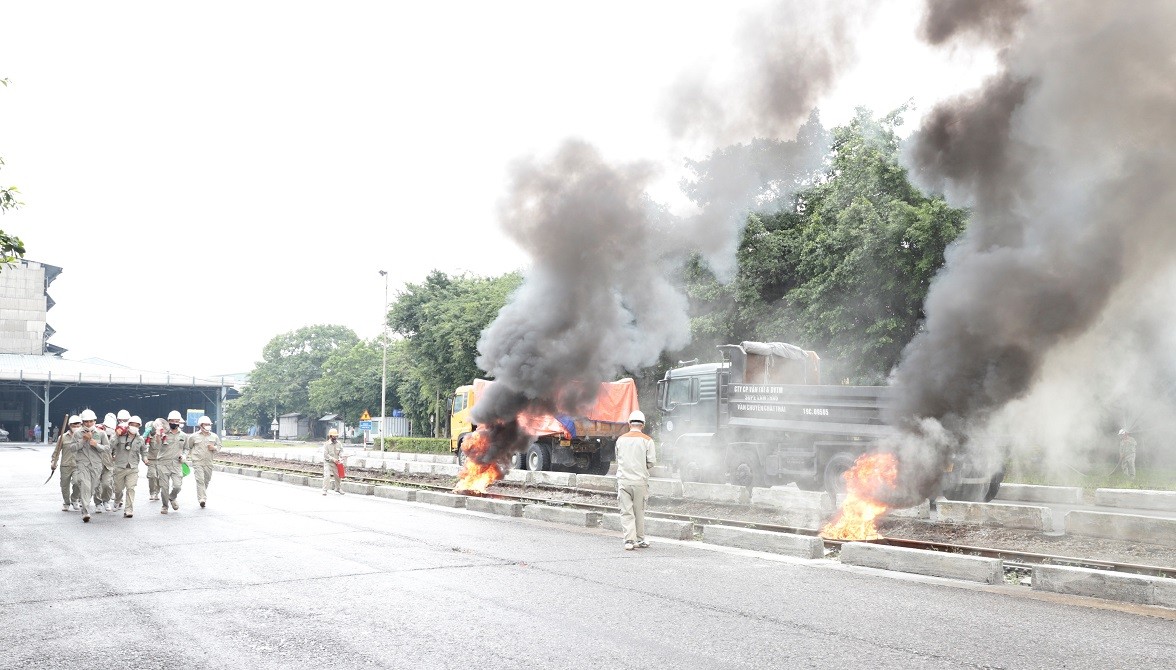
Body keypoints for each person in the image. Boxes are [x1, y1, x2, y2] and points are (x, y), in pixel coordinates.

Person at [615, 410, 656, 551]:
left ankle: (629, 541)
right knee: (639, 511)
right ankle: (640, 539)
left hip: (623, 480)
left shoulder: (620, 440)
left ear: (629, 424)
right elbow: (651, 462)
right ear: (643, 424)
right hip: (640, 482)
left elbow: (618, 458)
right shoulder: (648, 440)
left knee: (626, 511)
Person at [69, 409, 111, 523]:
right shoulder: (78, 434)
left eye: (91, 421)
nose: (88, 424)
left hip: (96, 465)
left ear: (95, 421)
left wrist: (97, 445)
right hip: (82, 464)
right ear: (82, 422)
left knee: (92, 488)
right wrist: (83, 440)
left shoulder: (101, 433)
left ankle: (86, 505)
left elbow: (107, 448)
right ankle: (85, 512)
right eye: (86, 422)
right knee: (85, 487)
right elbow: (72, 448)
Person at [111, 416, 148, 518]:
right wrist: (116, 435)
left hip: (133, 467)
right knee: (118, 489)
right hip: (120, 467)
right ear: (128, 425)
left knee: (131, 488)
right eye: (132, 425)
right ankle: (117, 500)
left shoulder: (140, 439)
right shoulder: (120, 436)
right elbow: (111, 445)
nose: (134, 427)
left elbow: (144, 451)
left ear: (139, 427)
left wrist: (145, 458)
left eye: (136, 426)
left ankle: (129, 509)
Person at [184, 415, 221, 508]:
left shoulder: (214, 436)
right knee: (200, 480)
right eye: (206, 424)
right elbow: (189, 447)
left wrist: (214, 448)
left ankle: (202, 494)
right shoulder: (193, 437)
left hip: (209, 462)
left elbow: (219, 446)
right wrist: (186, 456)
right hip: (197, 462)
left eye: (209, 424)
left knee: (206, 480)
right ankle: (202, 499)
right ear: (201, 425)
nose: (208, 426)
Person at [154, 410, 187, 514]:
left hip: (177, 464)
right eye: (172, 421)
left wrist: (184, 455)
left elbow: (186, 448)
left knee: (177, 486)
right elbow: (157, 445)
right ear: (168, 421)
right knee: (164, 487)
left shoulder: (183, 435)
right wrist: (158, 435)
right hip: (163, 463)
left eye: (176, 421)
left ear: (179, 422)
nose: (174, 423)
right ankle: (165, 506)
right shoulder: (162, 433)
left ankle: (172, 497)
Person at [50, 415, 82, 511]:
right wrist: (53, 462)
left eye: (78, 426)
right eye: (74, 426)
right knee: (64, 486)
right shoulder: (62, 437)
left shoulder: (83, 437)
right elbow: (56, 452)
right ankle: (66, 502)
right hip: (65, 465)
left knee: (78, 482)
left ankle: (74, 499)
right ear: (69, 425)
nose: (76, 427)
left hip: (78, 465)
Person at [144, 418, 166, 501]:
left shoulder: (162, 436)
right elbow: (143, 447)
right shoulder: (148, 437)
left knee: (160, 477)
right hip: (152, 459)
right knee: (152, 476)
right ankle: (152, 492)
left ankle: (157, 492)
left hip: (161, 460)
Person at [322, 428, 346, 495]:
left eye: (336, 436)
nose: (335, 437)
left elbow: (341, 451)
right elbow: (326, 455)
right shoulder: (326, 444)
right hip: (328, 462)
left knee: (338, 476)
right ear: (330, 436)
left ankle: (338, 489)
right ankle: (324, 490)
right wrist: (333, 459)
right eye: (334, 436)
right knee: (327, 476)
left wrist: (342, 456)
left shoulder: (339, 443)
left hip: (336, 463)